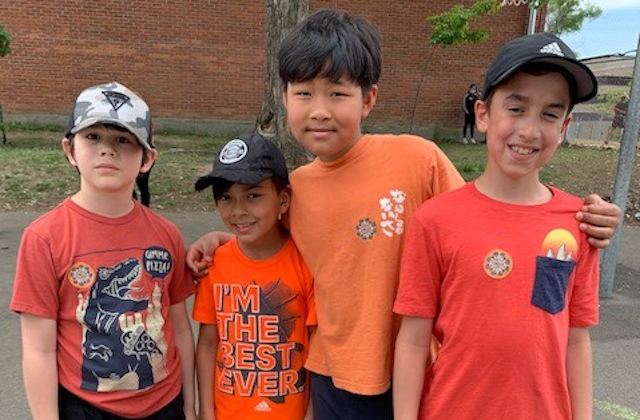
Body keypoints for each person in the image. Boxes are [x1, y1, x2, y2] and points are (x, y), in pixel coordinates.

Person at [186, 10, 620, 420]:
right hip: (331, 370)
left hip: (416, 371)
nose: (319, 110)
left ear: (369, 98)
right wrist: (218, 240)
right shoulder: (294, 189)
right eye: (304, 93)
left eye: (337, 93)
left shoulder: (418, 158)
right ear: (284, 98)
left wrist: (583, 219)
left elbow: (489, 214)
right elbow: (265, 237)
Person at [393, 32, 602, 420]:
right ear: (483, 114)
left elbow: (576, 340)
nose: (529, 130)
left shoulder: (579, 224)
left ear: (566, 126)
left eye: (550, 114)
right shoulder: (435, 220)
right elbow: (414, 340)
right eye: (517, 108)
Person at [10, 81, 197, 420]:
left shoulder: (166, 233)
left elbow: (180, 329)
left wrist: (190, 406)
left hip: (164, 404)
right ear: (69, 149)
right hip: (87, 406)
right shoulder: (44, 237)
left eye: (124, 140)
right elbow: (37, 350)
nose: (107, 149)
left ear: (147, 159)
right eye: (93, 137)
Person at [191, 133, 316, 420]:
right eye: (225, 197)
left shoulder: (305, 263)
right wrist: (206, 413)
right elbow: (209, 343)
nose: (238, 211)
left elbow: (318, 347)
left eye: (253, 195)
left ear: (283, 200)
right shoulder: (215, 262)